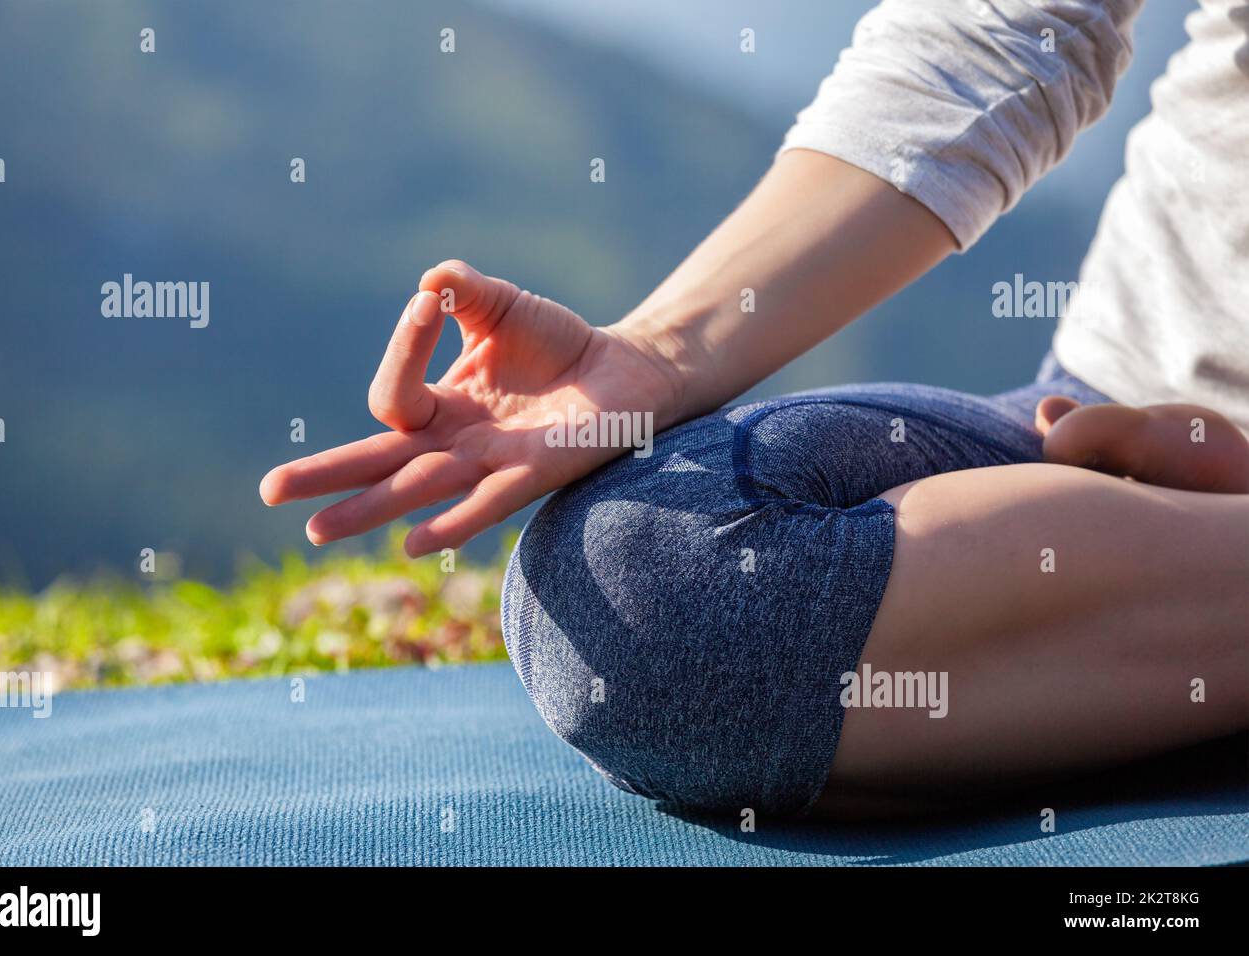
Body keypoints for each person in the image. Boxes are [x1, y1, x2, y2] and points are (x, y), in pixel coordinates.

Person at [261, 0, 1249, 818]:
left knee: (687, 644)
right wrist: (654, 351)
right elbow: (1002, 28)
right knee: (647, 567)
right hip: (1097, 397)